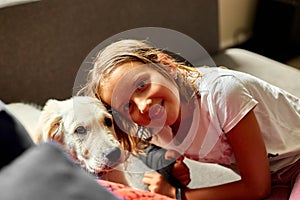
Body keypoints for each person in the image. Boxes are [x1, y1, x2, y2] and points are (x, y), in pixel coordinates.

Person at [80, 39, 300, 199]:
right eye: (127, 106)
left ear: (166, 65)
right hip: (273, 178)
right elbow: (149, 151)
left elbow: (256, 188)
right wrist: (168, 172)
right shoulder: (148, 125)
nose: (143, 104)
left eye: (141, 85)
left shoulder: (222, 93)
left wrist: (178, 194)